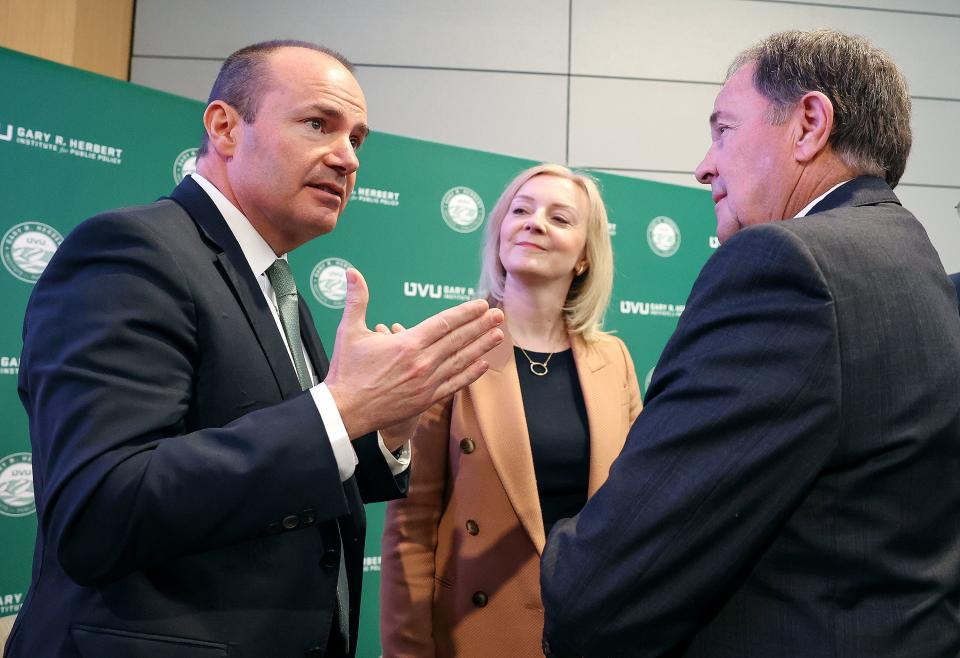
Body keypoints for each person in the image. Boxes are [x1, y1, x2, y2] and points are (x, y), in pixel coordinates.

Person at [6, 40, 503, 658]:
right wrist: (343, 412)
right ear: (225, 127)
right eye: (319, 124)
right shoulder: (131, 252)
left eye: (358, 140)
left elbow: (282, 470)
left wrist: (382, 430)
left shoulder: (270, 277)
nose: (347, 158)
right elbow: (100, 508)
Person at [540, 29, 960, 657]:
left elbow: (608, 580)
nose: (704, 165)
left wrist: (567, 572)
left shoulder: (784, 266)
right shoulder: (924, 268)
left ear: (809, 124)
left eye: (724, 130)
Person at [380, 164, 642, 657]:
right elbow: (410, 531)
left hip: (592, 632)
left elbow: (632, 512)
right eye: (520, 210)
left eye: (559, 218)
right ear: (500, 233)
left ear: (585, 257)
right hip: (476, 635)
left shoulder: (615, 361)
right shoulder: (450, 350)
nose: (534, 222)